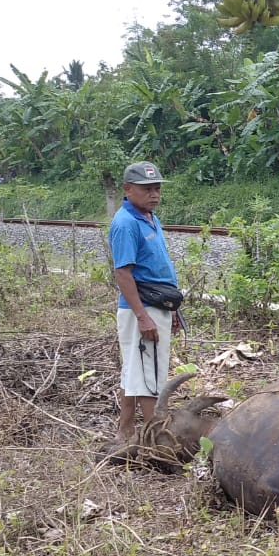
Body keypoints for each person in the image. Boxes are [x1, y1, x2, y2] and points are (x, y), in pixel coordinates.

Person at [109, 161, 182, 443]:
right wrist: (143, 316)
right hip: (142, 307)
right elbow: (123, 272)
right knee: (150, 375)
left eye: (157, 189)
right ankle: (157, 441)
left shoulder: (149, 217)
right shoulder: (126, 223)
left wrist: (173, 310)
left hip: (157, 305)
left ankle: (125, 431)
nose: (154, 194)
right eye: (147, 189)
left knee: (135, 370)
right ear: (128, 189)